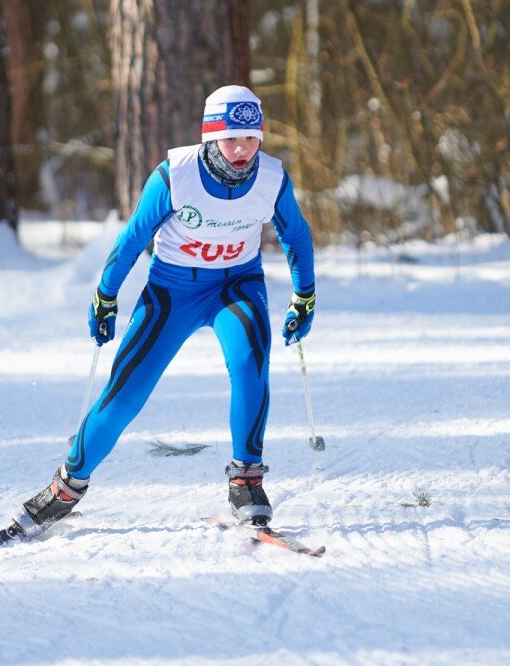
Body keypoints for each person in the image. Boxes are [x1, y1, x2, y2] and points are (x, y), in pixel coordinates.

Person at [16, 85, 316, 534]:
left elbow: (297, 236)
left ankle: (246, 480)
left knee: (251, 368)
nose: (241, 150)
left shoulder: (272, 178)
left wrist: (304, 295)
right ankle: (66, 488)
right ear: (211, 137)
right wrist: (105, 295)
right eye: (231, 139)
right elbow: (134, 239)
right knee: (126, 393)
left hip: (237, 286)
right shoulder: (176, 175)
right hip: (173, 291)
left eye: (251, 138)